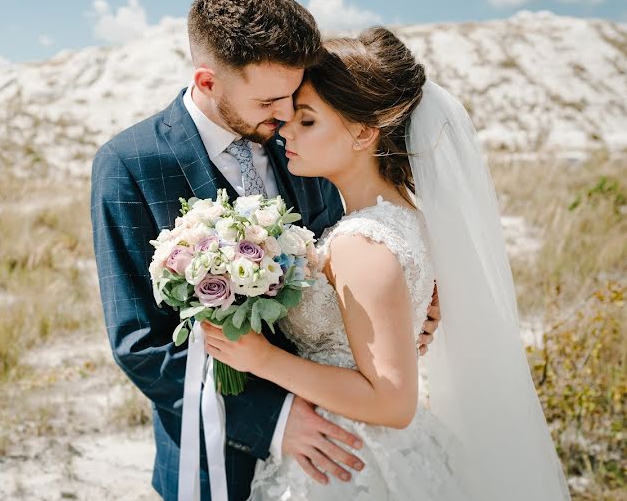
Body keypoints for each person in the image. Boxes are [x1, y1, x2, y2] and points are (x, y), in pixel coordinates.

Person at [90, 0, 440, 501]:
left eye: (293, 97)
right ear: (207, 81)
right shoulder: (131, 165)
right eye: (270, 99)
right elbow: (142, 343)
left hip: (343, 441)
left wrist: (398, 315)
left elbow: (343, 259)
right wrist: (274, 419)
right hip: (218, 451)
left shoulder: (304, 141)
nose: (283, 116)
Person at [202, 27, 571, 500]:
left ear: (363, 132)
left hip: (351, 460)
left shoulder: (361, 242)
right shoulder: (406, 217)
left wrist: (263, 358)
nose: (286, 131)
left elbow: (393, 401)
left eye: (308, 121)